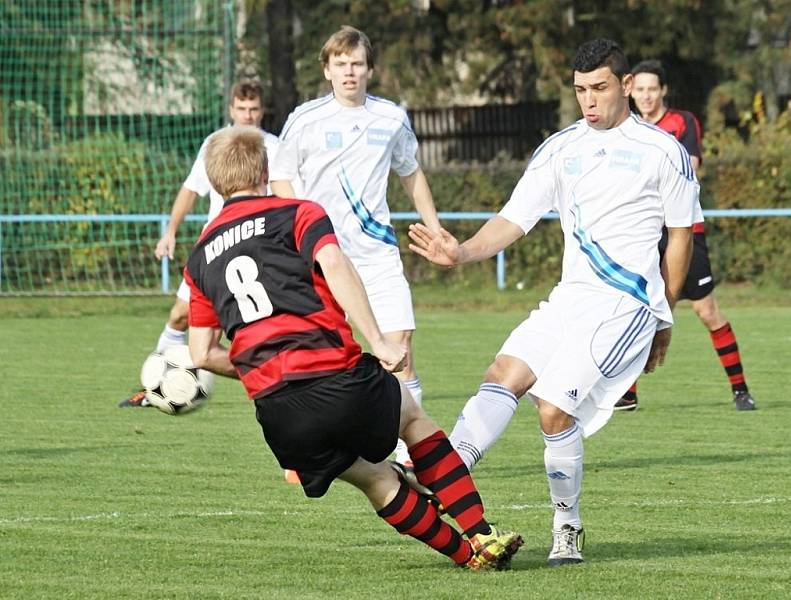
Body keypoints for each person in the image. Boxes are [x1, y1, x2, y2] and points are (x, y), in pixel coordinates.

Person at [408, 39, 699, 567]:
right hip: (570, 298)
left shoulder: (664, 152)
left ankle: (568, 525)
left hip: (626, 304)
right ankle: (445, 475)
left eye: (600, 88)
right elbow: (514, 219)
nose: (589, 101)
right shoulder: (560, 148)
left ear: (627, 85)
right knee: (503, 373)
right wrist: (462, 253)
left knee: (552, 410)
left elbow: (680, 235)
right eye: (580, 90)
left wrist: (666, 315)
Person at [183, 125, 523, 570]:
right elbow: (336, 265)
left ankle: (467, 558)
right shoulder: (298, 212)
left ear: (213, 182)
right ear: (266, 171)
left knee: (377, 481)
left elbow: (201, 353)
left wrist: (260, 366)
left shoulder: (200, 255)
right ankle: (481, 533)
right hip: (336, 376)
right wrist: (378, 341)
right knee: (414, 419)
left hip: (279, 413)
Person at [269, 26, 440, 467]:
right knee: (320, 359)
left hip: (379, 254)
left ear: (369, 69)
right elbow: (281, 175)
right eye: (341, 64)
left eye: (357, 64)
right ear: (327, 70)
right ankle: (312, 449)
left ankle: (405, 452)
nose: (350, 72)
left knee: (400, 351)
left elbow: (412, 172)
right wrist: (299, 229)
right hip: (324, 258)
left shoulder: (391, 118)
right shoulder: (305, 119)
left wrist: (434, 226)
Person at [119, 81, 279, 408]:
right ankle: (155, 385)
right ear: (231, 109)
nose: (247, 115)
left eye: (254, 109)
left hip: (254, 254)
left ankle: (280, 380)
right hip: (213, 250)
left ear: (262, 111)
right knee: (179, 316)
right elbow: (191, 189)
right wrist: (171, 231)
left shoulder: (275, 148)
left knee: (242, 332)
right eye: (241, 108)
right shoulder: (216, 144)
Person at [619, 59, 756, 412]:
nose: (646, 96)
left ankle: (741, 389)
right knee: (641, 310)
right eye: (640, 90)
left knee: (707, 311)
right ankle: (628, 393)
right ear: (630, 90)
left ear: (663, 91)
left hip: (685, 229)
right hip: (646, 232)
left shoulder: (683, 122)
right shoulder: (626, 129)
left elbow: (690, 167)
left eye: (653, 89)